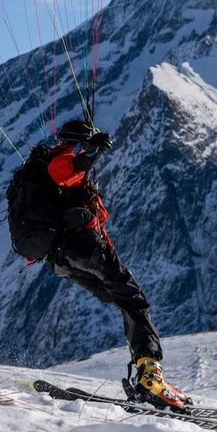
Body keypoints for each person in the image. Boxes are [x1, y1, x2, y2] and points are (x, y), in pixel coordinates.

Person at [42, 118, 189, 409]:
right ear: (79, 142)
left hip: (61, 259)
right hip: (83, 247)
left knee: (121, 299)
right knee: (134, 299)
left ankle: (143, 372)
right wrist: (92, 154)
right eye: (86, 143)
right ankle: (150, 377)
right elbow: (63, 172)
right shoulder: (63, 159)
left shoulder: (50, 167)